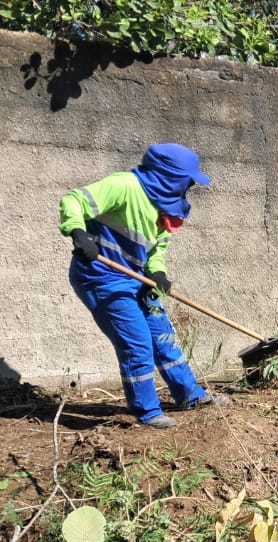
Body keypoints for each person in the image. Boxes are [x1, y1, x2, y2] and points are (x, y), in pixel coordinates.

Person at [59, 143, 229, 429]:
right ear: (170, 176)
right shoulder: (124, 185)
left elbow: (158, 248)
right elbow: (74, 199)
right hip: (101, 277)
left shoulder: (166, 206)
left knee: (163, 338)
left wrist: (158, 272)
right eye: (188, 181)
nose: (189, 188)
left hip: (137, 278)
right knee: (136, 345)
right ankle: (147, 411)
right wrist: (78, 232)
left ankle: (190, 396)